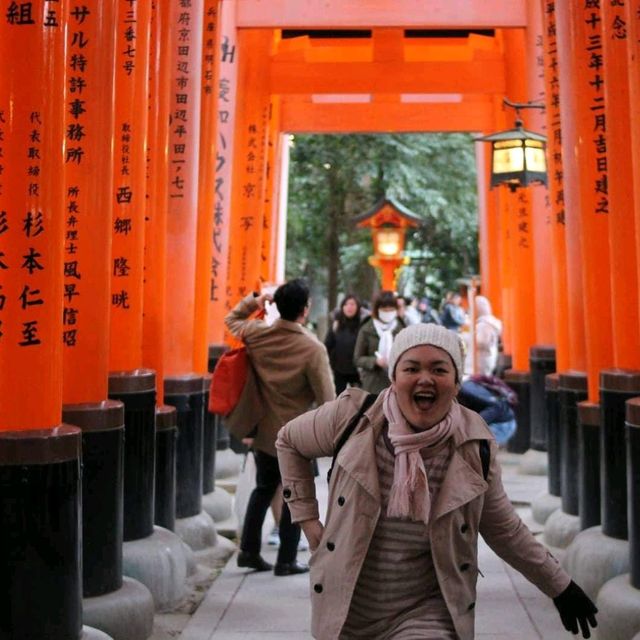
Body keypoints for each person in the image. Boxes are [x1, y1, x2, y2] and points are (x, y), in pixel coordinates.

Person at [276, 324, 597, 640]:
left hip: (429, 609)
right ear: (394, 378)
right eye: (411, 368)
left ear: (457, 382)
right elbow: (289, 441)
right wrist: (307, 520)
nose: (425, 378)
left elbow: (506, 531)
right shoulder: (352, 418)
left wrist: (560, 587)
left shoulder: (474, 445)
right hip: (348, 608)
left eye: (439, 369)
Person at [225, 279, 335, 576]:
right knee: (295, 496)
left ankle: (248, 550)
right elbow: (328, 399)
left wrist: (257, 300)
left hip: (264, 429)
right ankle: (286, 559)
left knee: (263, 489)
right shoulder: (312, 348)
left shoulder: (259, 335)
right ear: (305, 310)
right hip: (297, 436)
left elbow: (231, 320)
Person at [353, 290, 406, 394]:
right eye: (384, 309)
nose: (387, 312)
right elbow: (357, 358)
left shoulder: (402, 329)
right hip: (373, 384)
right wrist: (375, 362)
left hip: (396, 384)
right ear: (377, 310)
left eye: (391, 309)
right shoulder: (367, 329)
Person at [458, 375, 517, 446]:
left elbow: (496, 405)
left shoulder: (467, 390)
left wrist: (473, 425)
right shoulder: (464, 390)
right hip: (499, 421)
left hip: (501, 424)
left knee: (478, 452)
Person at [324, 295, 362, 395]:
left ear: (358, 307)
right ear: (342, 307)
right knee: (339, 399)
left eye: (352, 304)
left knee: (359, 399)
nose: (349, 307)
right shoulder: (336, 325)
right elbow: (327, 345)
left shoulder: (363, 326)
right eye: (346, 304)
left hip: (357, 371)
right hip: (339, 369)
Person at [474, 295, 502, 376]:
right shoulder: (491, 322)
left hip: (483, 357)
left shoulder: (484, 324)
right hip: (489, 355)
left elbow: (482, 342)